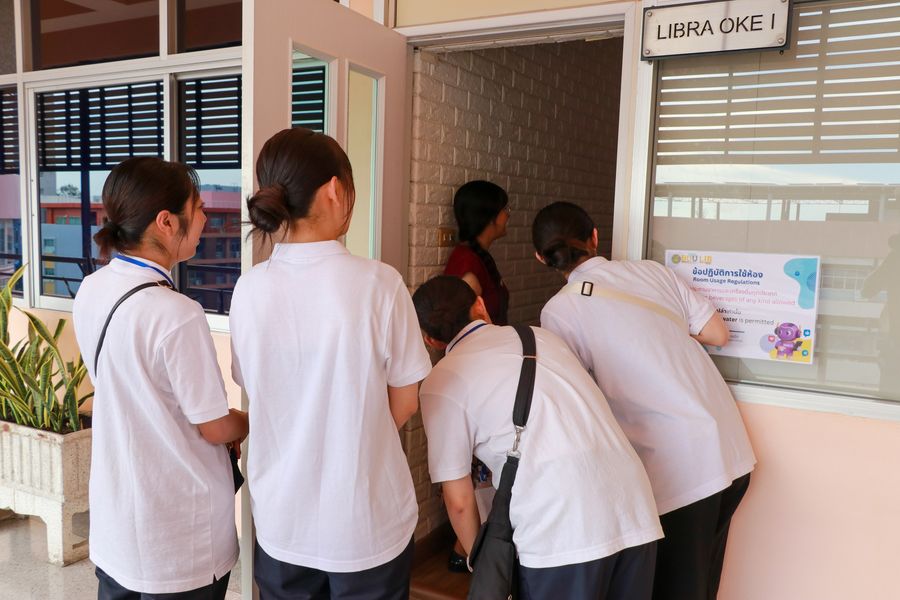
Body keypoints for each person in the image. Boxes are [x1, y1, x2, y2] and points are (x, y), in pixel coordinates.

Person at [229, 127, 432, 600]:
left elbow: (259, 390)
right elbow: (405, 401)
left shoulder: (249, 289)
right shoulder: (380, 284)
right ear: (336, 191)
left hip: (282, 522)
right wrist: (353, 435)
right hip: (366, 521)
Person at [532, 201, 756, 600]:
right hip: (730, 450)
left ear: (540, 257)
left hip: (679, 467)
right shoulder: (652, 272)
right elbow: (718, 334)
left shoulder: (559, 312)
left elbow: (581, 400)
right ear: (595, 237)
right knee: (701, 582)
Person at [413, 275, 663, 600]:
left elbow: (459, 501)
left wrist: (488, 565)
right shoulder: (540, 336)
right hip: (634, 508)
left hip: (559, 528)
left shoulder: (441, 383)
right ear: (481, 305)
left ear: (430, 340)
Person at [73, 157, 248, 599]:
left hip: (117, 528)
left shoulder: (92, 289)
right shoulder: (176, 314)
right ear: (167, 222)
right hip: (179, 541)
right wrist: (246, 421)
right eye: (199, 207)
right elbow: (214, 427)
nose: (205, 218)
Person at [444, 180, 510, 325]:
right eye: (504, 209)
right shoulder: (466, 261)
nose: (508, 215)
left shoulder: (480, 256)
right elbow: (459, 323)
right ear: (489, 217)